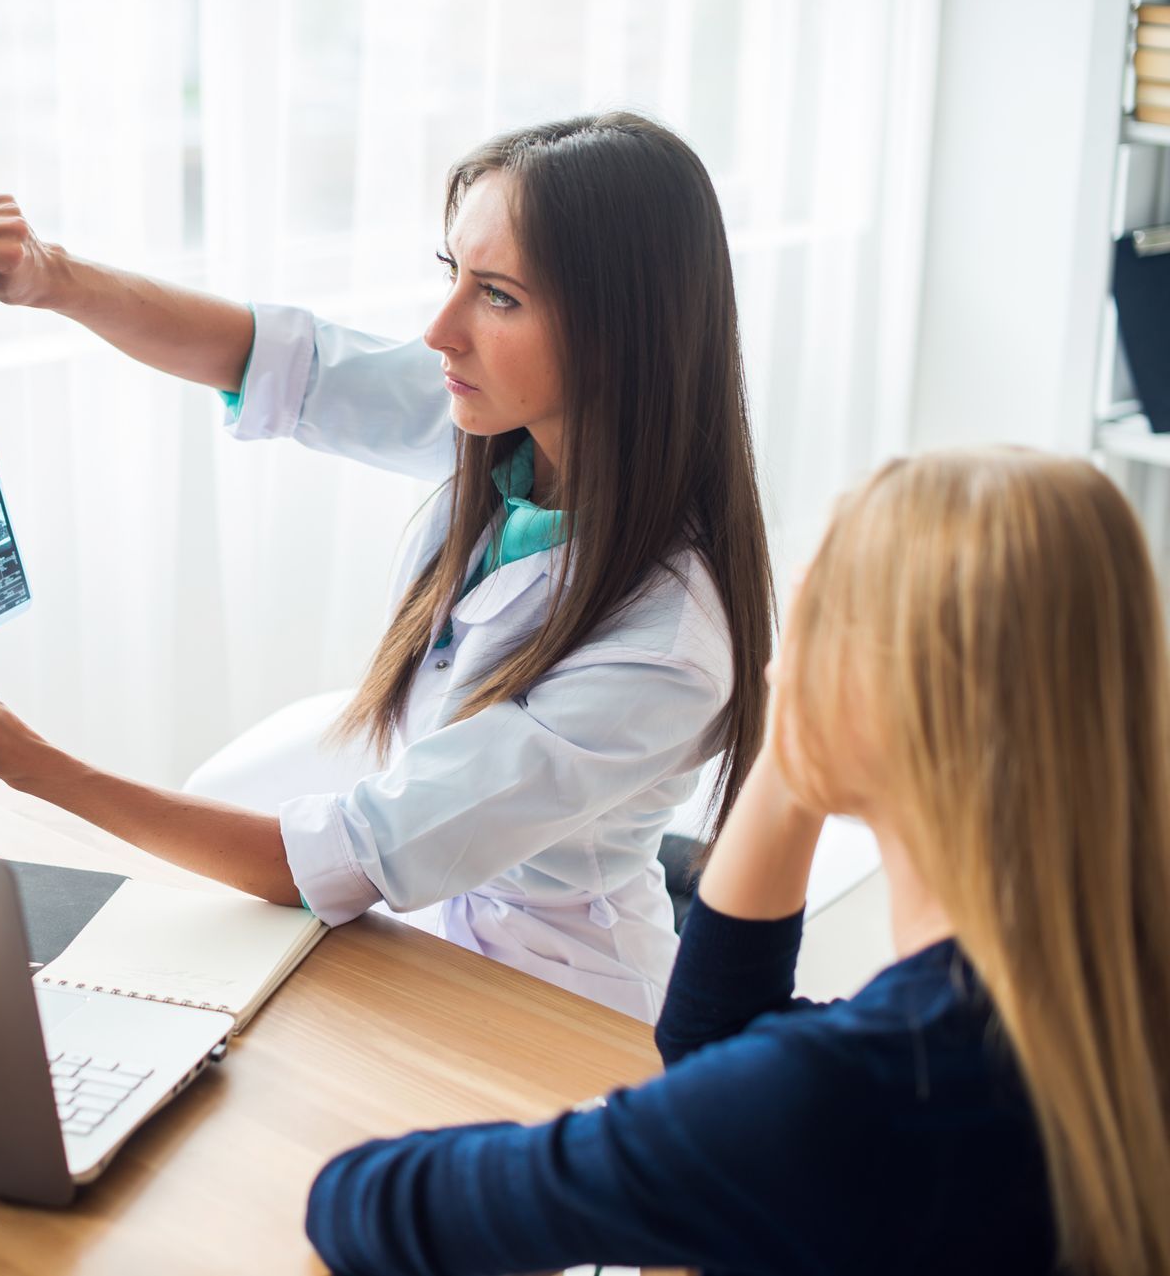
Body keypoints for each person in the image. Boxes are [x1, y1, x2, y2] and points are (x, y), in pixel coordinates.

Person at [0, 113, 775, 1021]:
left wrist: (19, 760)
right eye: (450, 274)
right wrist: (50, 277)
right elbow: (276, 361)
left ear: (619, 335)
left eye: (497, 295)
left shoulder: (665, 647)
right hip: (411, 949)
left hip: (557, 1013)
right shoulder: (513, 431)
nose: (440, 330)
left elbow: (340, 859)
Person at [303, 449, 1170, 1276]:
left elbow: (374, 1206)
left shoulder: (847, 1095)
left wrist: (792, 751)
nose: (776, 665)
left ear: (881, 695)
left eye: (812, 622)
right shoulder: (1091, 1014)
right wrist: (791, 768)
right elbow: (713, 1046)